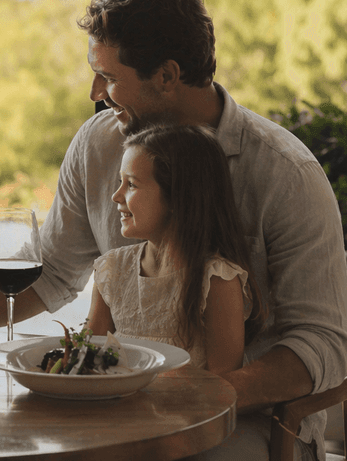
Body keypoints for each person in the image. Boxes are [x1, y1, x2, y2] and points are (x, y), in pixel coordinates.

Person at [0, 0, 347, 461]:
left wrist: (197, 397)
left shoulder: (285, 173)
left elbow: (322, 342)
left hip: (254, 424)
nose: (95, 92)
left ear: (168, 76)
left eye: (109, 77)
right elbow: (47, 275)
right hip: (123, 412)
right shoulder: (99, 144)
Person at [86, 124, 264, 376]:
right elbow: (85, 361)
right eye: (120, 182)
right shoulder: (111, 269)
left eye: (132, 185)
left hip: (187, 415)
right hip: (114, 413)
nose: (116, 196)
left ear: (178, 197)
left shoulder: (216, 280)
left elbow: (222, 390)